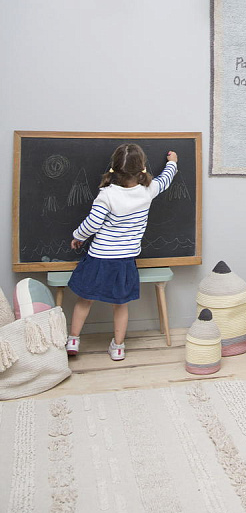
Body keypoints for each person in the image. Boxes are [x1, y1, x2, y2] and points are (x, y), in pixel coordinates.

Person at [65, 144, 178, 361]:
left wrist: (78, 236)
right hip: (124, 261)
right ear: (142, 168)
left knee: (85, 299)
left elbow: (92, 224)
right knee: (120, 304)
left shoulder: (107, 195)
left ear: (114, 168)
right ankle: (118, 347)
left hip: (99, 258)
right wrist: (172, 162)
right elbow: (165, 180)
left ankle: (73, 340)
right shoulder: (148, 191)